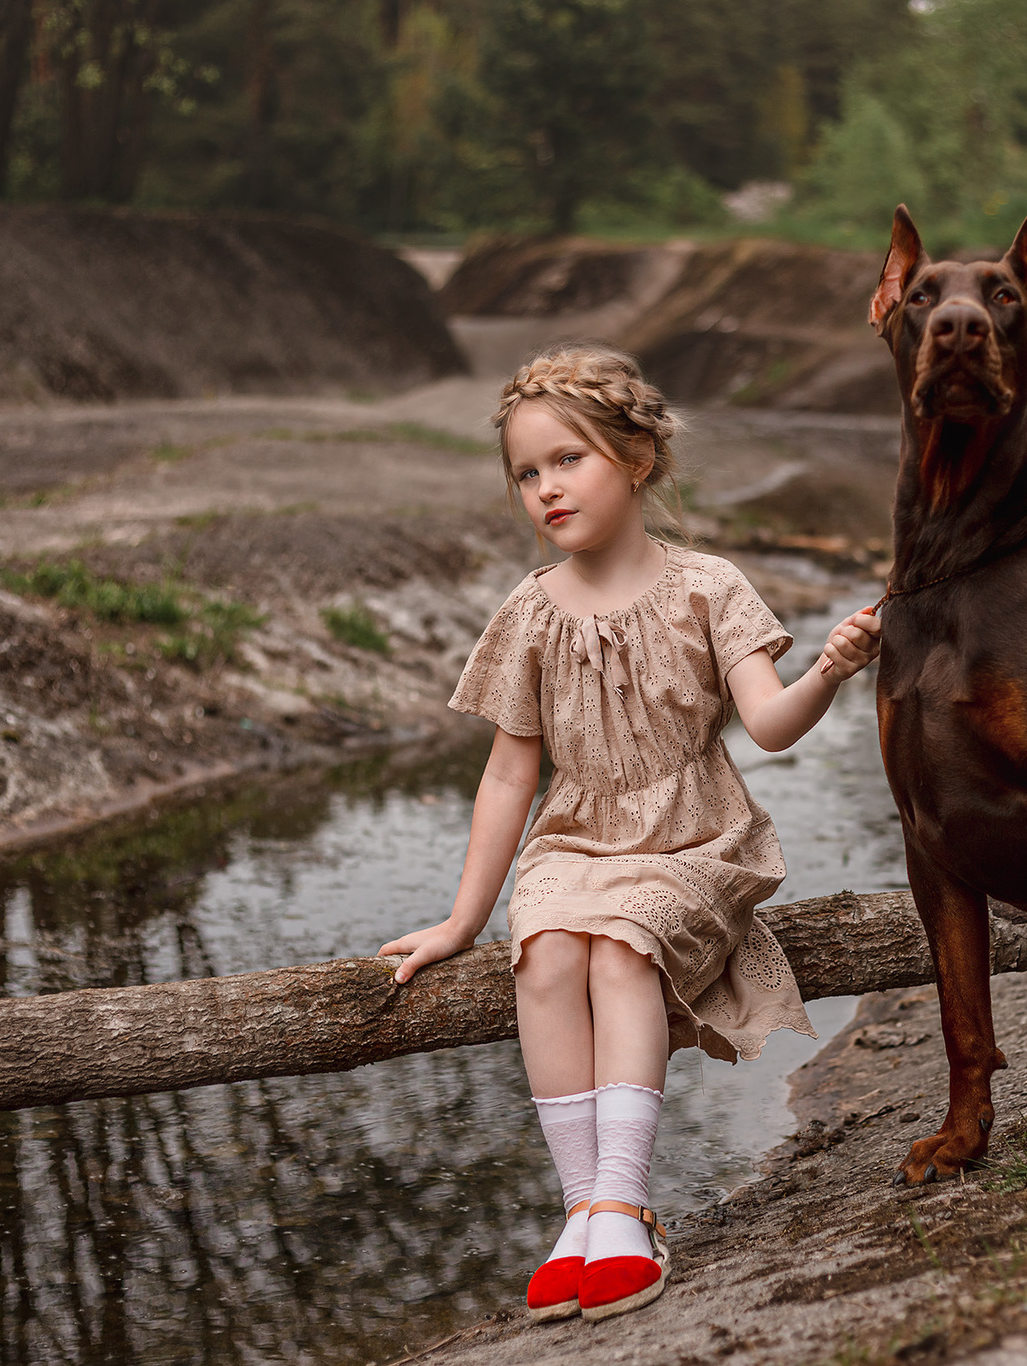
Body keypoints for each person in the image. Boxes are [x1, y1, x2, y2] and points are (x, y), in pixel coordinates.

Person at [377, 343, 881, 1325]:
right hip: (573, 839)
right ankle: (578, 1213)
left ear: (636, 460)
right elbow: (509, 775)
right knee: (547, 948)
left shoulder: (708, 587)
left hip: (691, 836)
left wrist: (829, 667)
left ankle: (623, 1202)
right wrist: (456, 921)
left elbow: (769, 725)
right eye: (526, 472)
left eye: (568, 460)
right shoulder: (529, 611)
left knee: (619, 944)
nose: (545, 489)